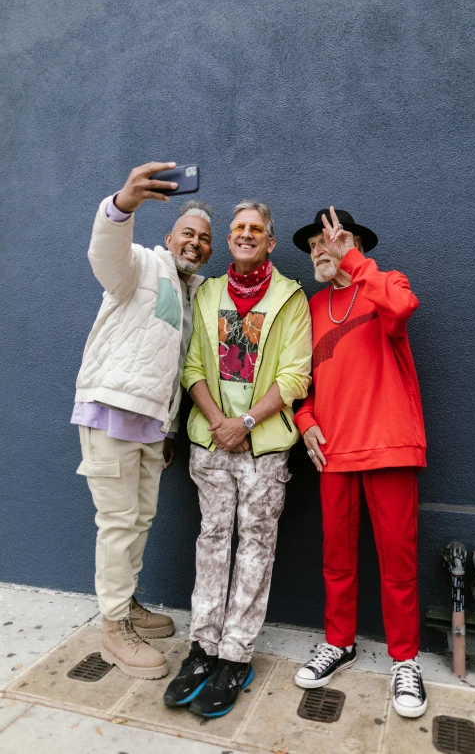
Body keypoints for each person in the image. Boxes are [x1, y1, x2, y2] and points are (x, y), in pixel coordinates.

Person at [163, 200, 312, 717]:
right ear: (229, 240)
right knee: (211, 542)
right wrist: (220, 423)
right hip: (210, 442)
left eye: (256, 230)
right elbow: (192, 365)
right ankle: (202, 648)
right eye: (238, 229)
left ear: (270, 242)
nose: (245, 235)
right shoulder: (206, 293)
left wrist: (246, 423)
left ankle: (236, 655)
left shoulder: (290, 298)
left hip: (264, 448)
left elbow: (295, 376)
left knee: (255, 547)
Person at [72, 161, 213, 679]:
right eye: (187, 234)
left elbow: (171, 365)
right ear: (169, 237)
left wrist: (169, 427)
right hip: (110, 416)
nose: (194, 243)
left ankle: (125, 606)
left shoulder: (194, 292)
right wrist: (122, 205)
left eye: (203, 239)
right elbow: (103, 254)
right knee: (116, 524)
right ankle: (112, 631)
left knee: (140, 522)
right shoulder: (139, 264)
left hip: (153, 428)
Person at [291, 207, 428, 719]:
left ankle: (404, 660)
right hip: (334, 452)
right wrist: (306, 421)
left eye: (330, 241)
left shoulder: (386, 282)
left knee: (398, 561)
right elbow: (300, 377)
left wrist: (352, 258)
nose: (319, 251)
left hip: (390, 444)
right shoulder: (312, 304)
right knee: (335, 558)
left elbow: (401, 309)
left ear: (355, 243)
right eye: (313, 246)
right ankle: (338, 642)